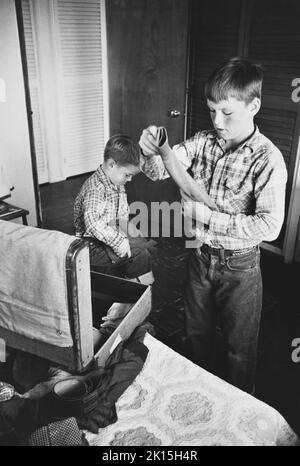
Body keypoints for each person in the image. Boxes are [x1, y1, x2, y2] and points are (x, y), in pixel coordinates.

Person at [139, 57, 288, 393]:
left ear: (254, 106)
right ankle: (198, 394)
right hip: (200, 256)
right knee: (195, 335)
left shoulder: (268, 160)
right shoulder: (203, 141)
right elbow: (160, 170)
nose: (217, 121)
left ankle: (239, 407)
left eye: (227, 112)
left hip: (241, 268)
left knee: (240, 349)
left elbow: (269, 227)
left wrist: (205, 215)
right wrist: (150, 151)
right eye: (211, 111)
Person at [74, 134, 154, 284]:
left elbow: (120, 213)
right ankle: (134, 292)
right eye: (127, 175)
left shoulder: (116, 180)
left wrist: (128, 233)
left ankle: (136, 283)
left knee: (145, 244)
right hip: (91, 246)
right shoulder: (96, 189)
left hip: (110, 234)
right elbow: (92, 223)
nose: (129, 180)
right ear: (111, 164)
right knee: (140, 254)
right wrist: (119, 242)